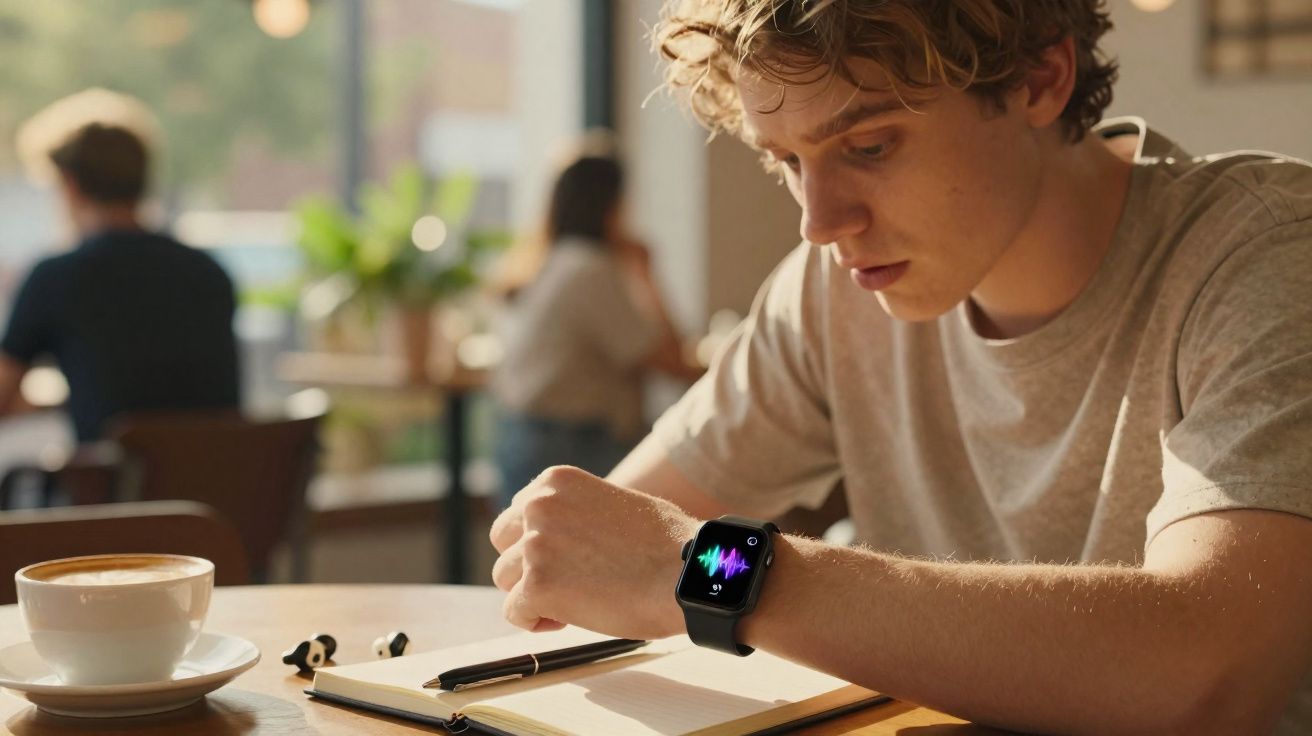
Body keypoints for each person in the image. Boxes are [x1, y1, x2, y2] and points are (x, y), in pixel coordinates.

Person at [487, 1, 1312, 733]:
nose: (818, 221)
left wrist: (710, 571)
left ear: (1039, 78)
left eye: (870, 145)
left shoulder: (1266, 256)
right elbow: (598, 544)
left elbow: (1210, 675)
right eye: (786, 162)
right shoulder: (830, 292)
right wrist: (577, 555)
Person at [0, 90, 240, 444]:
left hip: (118, 495)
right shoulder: (207, 272)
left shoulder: (58, 278)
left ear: (69, 184)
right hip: (214, 491)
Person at [491, 153, 700, 507]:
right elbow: (673, 362)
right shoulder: (590, 270)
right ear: (611, 206)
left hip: (526, 435)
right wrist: (648, 273)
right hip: (572, 443)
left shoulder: (555, 260)